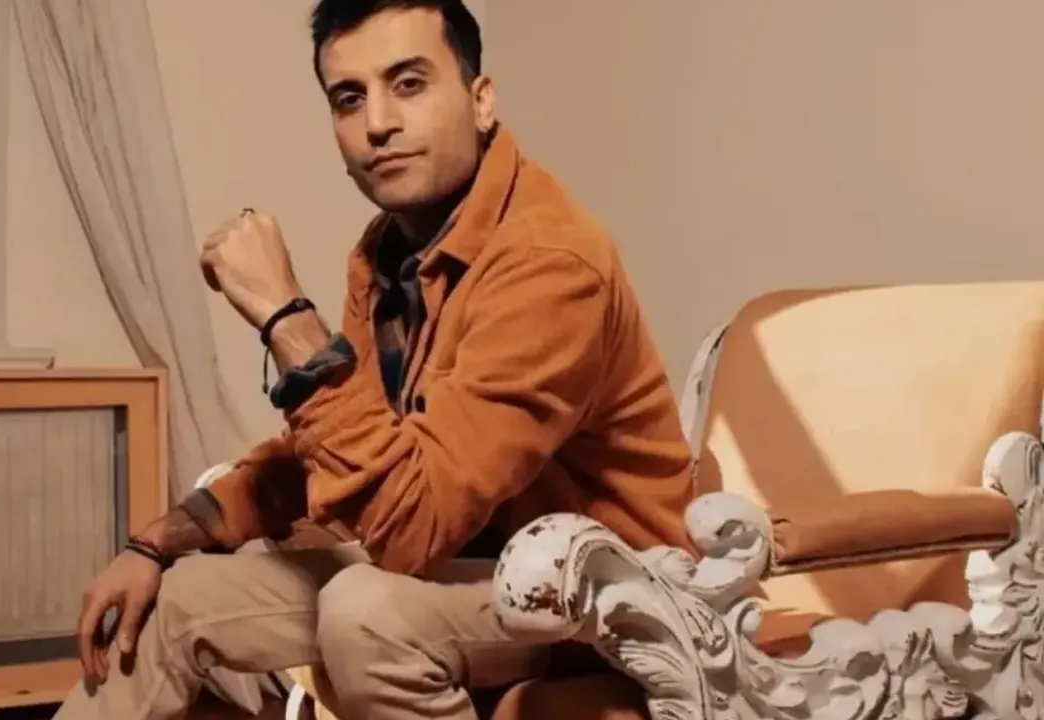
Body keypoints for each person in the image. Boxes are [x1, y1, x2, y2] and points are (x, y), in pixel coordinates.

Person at [53, 1, 693, 718]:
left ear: (482, 101)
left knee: (366, 611)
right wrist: (155, 543)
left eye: (409, 84)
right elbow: (338, 448)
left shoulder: (549, 262)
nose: (377, 123)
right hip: (477, 565)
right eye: (349, 98)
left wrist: (287, 319)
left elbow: (414, 526)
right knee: (177, 598)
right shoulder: (388, 252)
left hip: (609, 596)